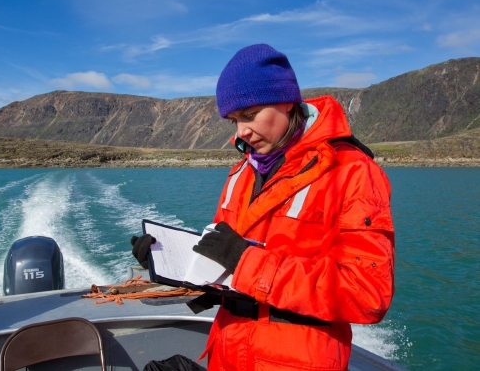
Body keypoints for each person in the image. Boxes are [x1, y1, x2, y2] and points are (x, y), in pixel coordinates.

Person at [132, 43, 394, 371]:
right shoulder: (241, 172)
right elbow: (220, 261)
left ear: (286, 101)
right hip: (226, 352)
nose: (241, 132)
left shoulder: (352, 172)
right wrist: (165, 263)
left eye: (250, 115)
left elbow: (368, 294)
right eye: (233, 121)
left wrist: (246, 261)